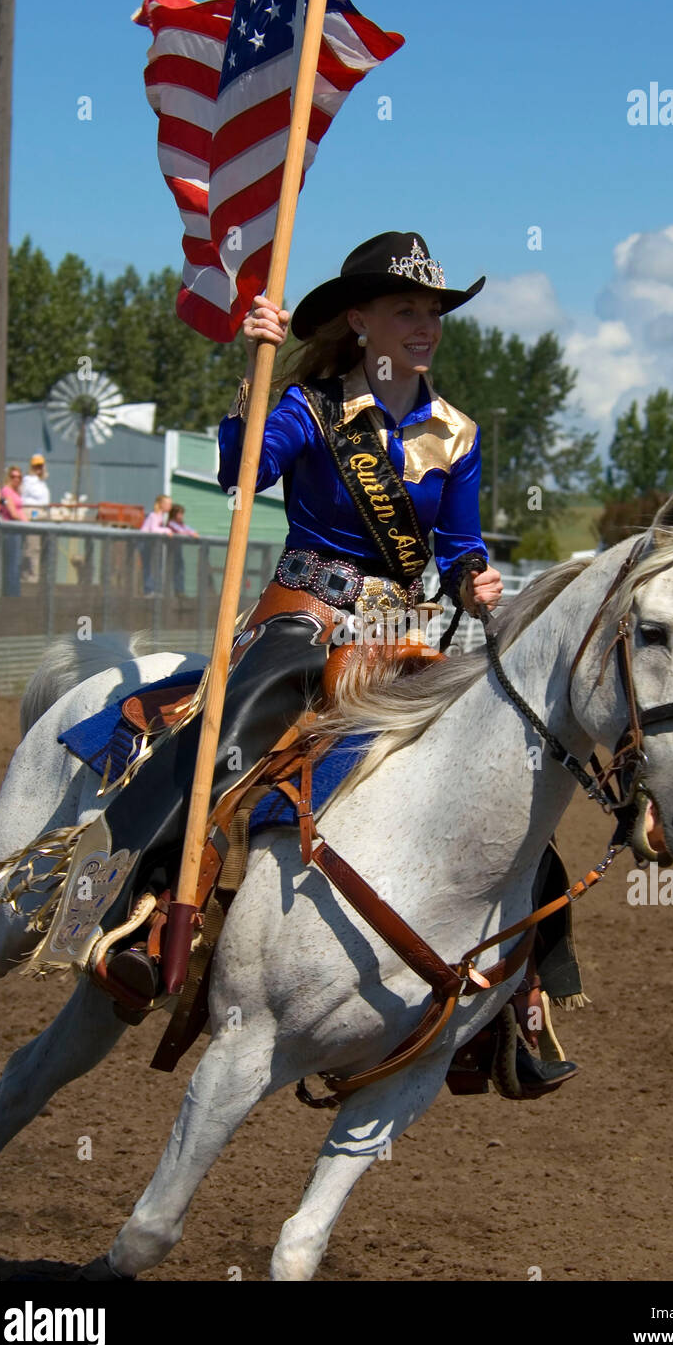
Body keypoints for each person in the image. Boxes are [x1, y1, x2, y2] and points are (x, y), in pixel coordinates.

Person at [95, 231, 574, 1092]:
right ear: (361, 321)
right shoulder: (310, 409)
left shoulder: (456, 433)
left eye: (433, 312)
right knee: (227, 740)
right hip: (304, 620)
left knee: (509, 784)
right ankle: (145, 913)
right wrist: (255, 366)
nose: (425, 326)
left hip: (405, 639)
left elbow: (459, 547)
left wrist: (476, 578)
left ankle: (519, 1000)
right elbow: (244, 472)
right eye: (407, 311)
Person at [20, 454, 51, 583]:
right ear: (31, 467)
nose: (39, 468)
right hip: (33, 513)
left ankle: (36, 576)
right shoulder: (28, 481)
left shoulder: (41, 482)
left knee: (40, 547)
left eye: (41, 466)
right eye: (36, 466)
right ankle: (31, 577)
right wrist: (34, 516)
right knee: (32, 547)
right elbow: (27, 502)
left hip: (42, 514)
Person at [0, 464, 26, 597]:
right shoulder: (6, 491)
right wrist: (26, 523)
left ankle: (14, 594)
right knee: (12, 565)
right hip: (10, 531)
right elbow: (13, 513)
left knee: (17, 564)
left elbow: (20, 511)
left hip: (19, 531)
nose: (16, 479)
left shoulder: (17, 492)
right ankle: (11, 596)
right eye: (13, 476)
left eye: (19, 477)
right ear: (8, 477)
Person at [139, 494, 172, 595]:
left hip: (150, 543)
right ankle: (149, 590)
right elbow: (153, 529)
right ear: (161, 504)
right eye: (167, 503)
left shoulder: (161, 516)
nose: (170, 506)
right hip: (144, 542)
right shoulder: (154, 515)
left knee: (154, 566)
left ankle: (155, 589)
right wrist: (167, 530)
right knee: (147, 566)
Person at [166, 504, 198, 597]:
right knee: (175, 570)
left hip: (178, 550)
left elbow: (190, 530)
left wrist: (192, 533)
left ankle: (179, 591)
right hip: (172, 551)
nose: (181, 516)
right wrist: (190, 533)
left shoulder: (181, 524)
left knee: (180, 570)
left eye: (182, 514)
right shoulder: (171, 523)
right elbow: (180, 532)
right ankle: (176, 591)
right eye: (179, 514)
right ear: (174, 514)